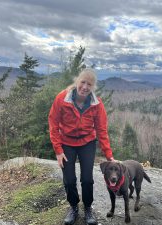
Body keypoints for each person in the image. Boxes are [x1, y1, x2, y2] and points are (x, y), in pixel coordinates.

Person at [48, 68, 114, 225]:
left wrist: (108, 154)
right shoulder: (62, 98)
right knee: (69, 180)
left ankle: (88, 208)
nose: (85, 87)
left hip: (87, 143)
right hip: (66, 143)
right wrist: (58, 150)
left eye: (89, 84)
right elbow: (53, 123)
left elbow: (101, 130)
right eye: (82, 82)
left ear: (93, 87)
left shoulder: (96, 104)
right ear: (77, 81)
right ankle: (73, 207)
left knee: (87, 179)